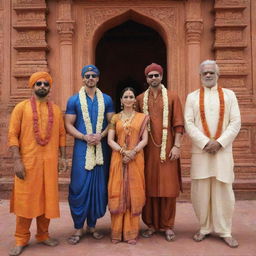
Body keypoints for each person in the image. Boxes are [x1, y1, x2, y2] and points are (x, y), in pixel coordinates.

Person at [8, 72, 67, 256]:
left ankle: (43, 235)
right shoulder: (21, 108)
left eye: (46, 84)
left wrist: (63, 157)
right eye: (39, 83)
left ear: (50, 88)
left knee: (47, 199)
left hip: (49, 164)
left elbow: (61, 135)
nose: (42, 86)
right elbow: (12, 135)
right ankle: (20, 238)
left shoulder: (56, 110)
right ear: (32, 86)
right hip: (28, 163)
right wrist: (17, 161)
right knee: (25, 201)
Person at [184, 60, 241, 248]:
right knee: (200, 192)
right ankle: (204, 228)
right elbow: (189, 123)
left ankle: (225, 230)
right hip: (201, 152)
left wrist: (220, 142)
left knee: (223, 191)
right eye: (205, 73)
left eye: (211, 73)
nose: (208, 75)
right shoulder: (192, 97)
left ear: (218, 75)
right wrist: (205, 142)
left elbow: (235, 123)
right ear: (200, 76)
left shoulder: (229, 95)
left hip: (222, 152)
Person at [65, 64, 114, 244]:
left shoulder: (107, 99)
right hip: (81, 149)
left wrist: (100, 136)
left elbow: (112, 122)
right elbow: (68, 124)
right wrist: (84, 137)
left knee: (98, 188)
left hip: (101, 148)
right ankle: (78, 228)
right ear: (82, 78)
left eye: (93, 75)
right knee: (79, 186)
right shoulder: (74, 100)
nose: (90, 78)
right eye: (87, 76)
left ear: (98, 78)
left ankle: (92, 226)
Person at [136, 63, 184, 241]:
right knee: (148, 188)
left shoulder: (172, 97)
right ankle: (150, 224)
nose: (153, 78)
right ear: (146, 79)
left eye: (156, 75)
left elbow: (178, 123)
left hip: (168, 149)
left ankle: (167, 225)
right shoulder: (140, 99)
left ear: (162, 76)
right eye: (150, 76)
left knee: (168, 188)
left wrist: (177, 146)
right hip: (147, 151)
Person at [108, 87, 148, 245]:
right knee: (117, 191)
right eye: (126, 96)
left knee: (134, 192)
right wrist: (123, 151)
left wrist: (133, 152)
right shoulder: (115, 118)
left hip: (136, 158)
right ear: (121, 100)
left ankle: (131, 233)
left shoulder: (143, 117)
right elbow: (110, 139)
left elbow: (144, 139)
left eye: (131, 96)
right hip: (118, 158)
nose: (129, 99)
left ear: (134, 100)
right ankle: (117, 233)